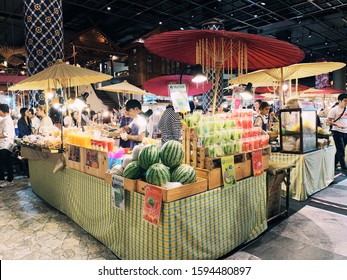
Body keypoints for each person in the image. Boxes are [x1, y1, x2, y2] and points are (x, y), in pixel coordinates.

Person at [327, 93, 347, 172]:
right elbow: (328, 121)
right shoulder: (334, 110)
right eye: (345, 101)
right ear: (339, 101)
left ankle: (334, 164)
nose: (346, 103)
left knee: (340, 149)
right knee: (341, 149)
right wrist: (337, 124)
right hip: (337, 131)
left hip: (345, 131)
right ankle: (343, 167)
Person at [0, 104, 16, 188]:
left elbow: (5, 134)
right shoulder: (5, 119)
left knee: (4, 162)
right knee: (7, 162)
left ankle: (7, 179)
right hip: (5, 144)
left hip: (5, 144)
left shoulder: (6, 120)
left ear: (1, 111)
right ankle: (9, 179)